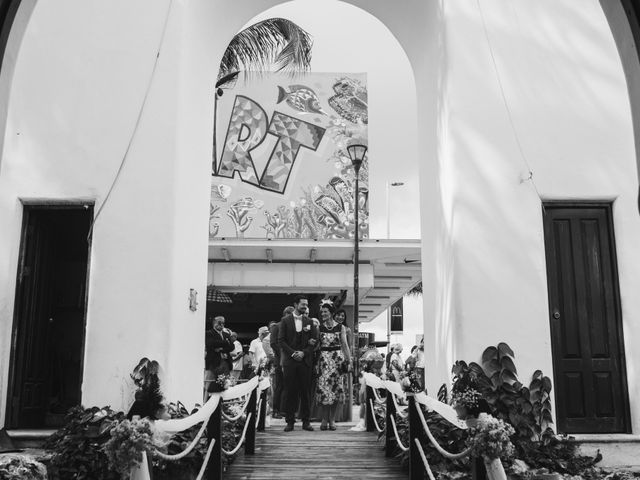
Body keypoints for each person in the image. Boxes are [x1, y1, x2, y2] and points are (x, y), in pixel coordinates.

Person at [278, 295, 318, 432]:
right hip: (290, 362)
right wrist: (293, 353)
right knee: (290, 392)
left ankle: (306, 422)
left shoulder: (310, 322)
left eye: (306, 304)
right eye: (302, 304)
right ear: (295, 304)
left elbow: (314, 340)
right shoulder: (285, 321)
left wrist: (304, 353)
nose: (305, 306)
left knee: (305, 392)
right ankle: (290, 422)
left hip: (305, 362)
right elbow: (281, 341)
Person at [315, 301, 351, 430]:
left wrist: (349, 360)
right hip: (324, 361)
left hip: (337, 361)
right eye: (322, 312)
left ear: (331, 313)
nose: (323, 313)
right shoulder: (319, 328)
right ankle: (324, 419)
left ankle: (332, 420)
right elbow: (316, 345)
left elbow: (345, 345)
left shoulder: (340, 327)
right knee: (324, 391)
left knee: (336, 390)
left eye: (325, 311)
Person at [270, 308, 293, 419]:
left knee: (288, 386)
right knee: (279, 386)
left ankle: (284, 409)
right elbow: (273, 343)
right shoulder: (276, 326)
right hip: (280, 360)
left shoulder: (291, 327)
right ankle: (276, 410)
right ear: (286, 314)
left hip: (291, 361)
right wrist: (286, 352)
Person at [204, 316, 233, 397]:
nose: (222, 325)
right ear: (214, 323)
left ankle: (222, 404)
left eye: (223, 323)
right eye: (219, 322)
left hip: (225, 363)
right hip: (212, 363)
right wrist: (225, 342)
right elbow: (210, 344)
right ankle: (205, 403)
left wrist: (220, 349)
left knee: (225, 384)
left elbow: (231, 347)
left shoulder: (226, 334)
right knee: (209, 384)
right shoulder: (209, 333)